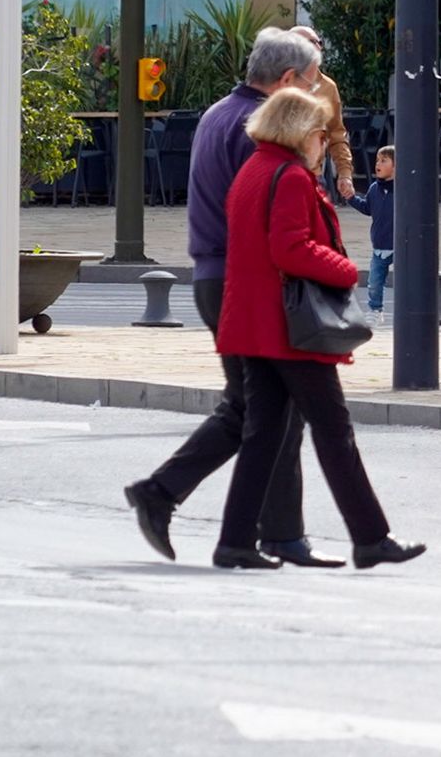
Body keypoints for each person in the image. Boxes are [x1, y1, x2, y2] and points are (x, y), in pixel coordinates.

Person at [123, 28, 347, 568]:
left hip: (214, 275)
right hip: (244, 280)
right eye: (311, 86)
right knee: (268, 407)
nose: (314, 99)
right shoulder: (258, 131)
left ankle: (266, 529)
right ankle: (195, 505)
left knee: (258, 405)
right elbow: (269, 221)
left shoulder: (216, 113)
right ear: (289, 80)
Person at [212, 88, 423, 570]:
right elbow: (290, 249)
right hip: (289, 329)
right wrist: (345, 270)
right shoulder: (288, 177)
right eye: (322, 135)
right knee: (333, 430)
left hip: (255, 324)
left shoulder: (254, 170)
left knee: (262, 434)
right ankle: (371, 538)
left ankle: (235, 541)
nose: (325, 144)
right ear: (302, 133)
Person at [288, 25, 355, 202]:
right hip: (279, 173)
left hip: (313, 176)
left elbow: (336, 133)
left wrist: (345, 173)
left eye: (319, 42)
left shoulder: (328, 87)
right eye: (310, 42)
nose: (318, 47)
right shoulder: (276, 81)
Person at [346, 144, 394, 327]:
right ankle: (375, 310)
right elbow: (367, 208)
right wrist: (351, 198)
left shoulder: (403, 189)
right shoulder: (374, 188)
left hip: (399, 244)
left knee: (406, 281)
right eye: (377, 161)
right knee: (374, 283)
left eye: (384, 161)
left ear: (396, 166)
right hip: (379, 245)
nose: (378, 164)